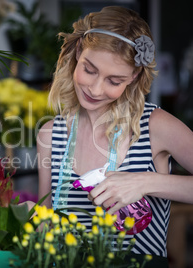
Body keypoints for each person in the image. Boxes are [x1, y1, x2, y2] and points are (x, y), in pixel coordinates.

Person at [36, 5, 193, 265]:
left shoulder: (155, 126)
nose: (96, 89)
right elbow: (44, 225)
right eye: (89, 69)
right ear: (78, 53)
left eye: (114, 80)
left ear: (133, 76)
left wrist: (145, 183)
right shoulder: (51, 135)